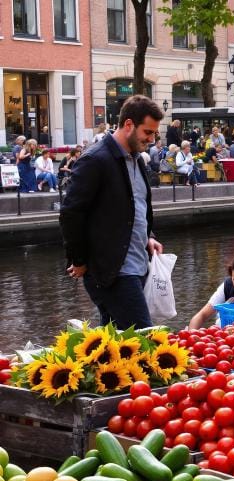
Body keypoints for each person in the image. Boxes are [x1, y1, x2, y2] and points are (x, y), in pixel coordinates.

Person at [60, 95, 165, 329]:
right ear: (129, 125)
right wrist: (78, 260)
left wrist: (149, 236)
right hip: (112, 271)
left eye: (154, 134)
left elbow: (136, 206)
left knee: (114, 345)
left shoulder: (137, 159)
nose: (151, 139)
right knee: (143, 338)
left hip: (136, 264)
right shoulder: (95, 160)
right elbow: (71, 213)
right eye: (148, 132)